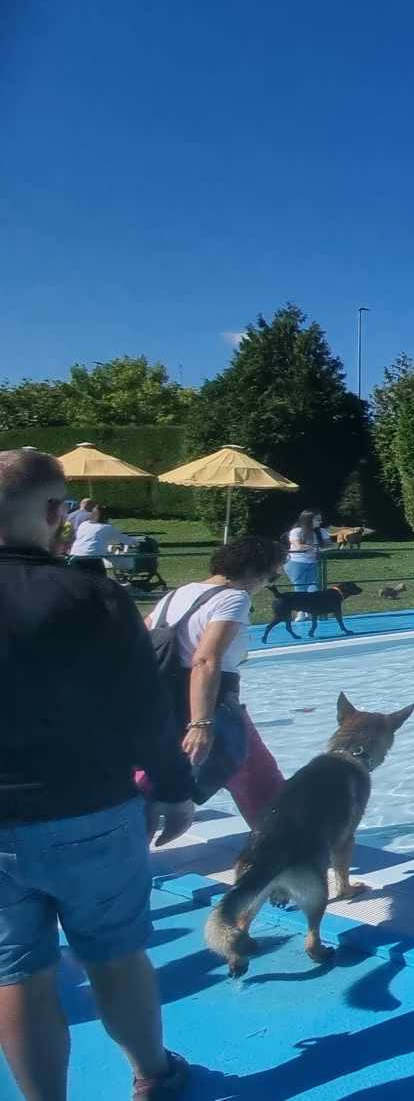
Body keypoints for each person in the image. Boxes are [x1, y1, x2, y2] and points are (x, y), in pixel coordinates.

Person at [0, 448, 199, 1100]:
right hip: (88, 809)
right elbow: (145, 706)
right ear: (58, 512)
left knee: (18, 977)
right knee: (114, 955)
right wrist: (172, 788)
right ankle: (153, 1076)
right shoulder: (92, 595)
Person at [141, 537, 292, 822]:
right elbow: (206, 659)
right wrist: (201, 722)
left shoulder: (178, 593)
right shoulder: (234, 597)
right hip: (212, 696)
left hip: (164, 695)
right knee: (256, 774)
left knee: (157, 774)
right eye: (272, 574)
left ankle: (128, 844)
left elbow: (141, 637)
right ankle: (284, 843)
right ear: (255, 571)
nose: (268, 583)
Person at [283, 510, 329, 594]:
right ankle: (302, 607)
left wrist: (317, 548)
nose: (321, 522)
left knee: (314, 588)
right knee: (301, 589)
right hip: (296, 563)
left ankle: (312, 606)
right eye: (318, 520)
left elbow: (330, 545)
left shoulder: (322, 531)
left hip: (314, 563)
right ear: (308, 520)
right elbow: (298, 547)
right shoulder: (296, 531)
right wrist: (316, 547)